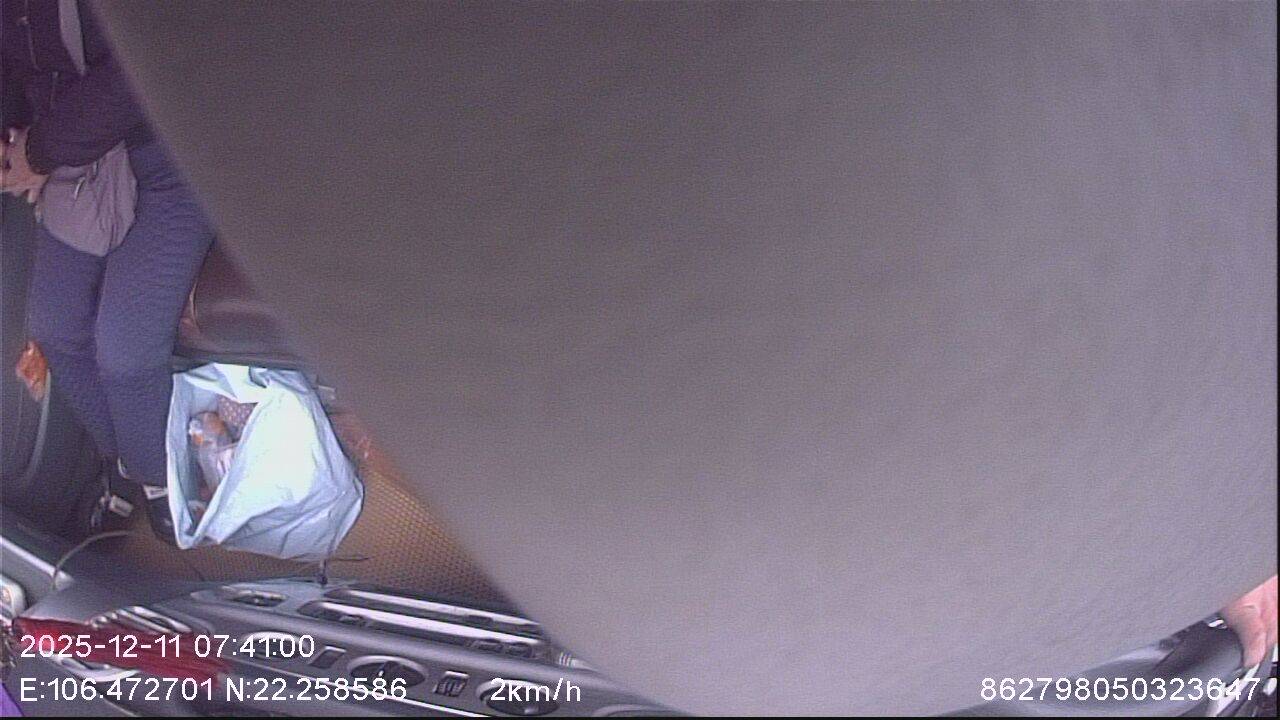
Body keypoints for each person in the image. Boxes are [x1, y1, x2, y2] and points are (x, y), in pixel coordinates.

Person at [1, 0, 214, 542]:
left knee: (124, 349)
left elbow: (144, 69)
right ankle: (124, 460)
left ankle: (155, 479)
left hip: (167, 151)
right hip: (80, 162)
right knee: (54, 327)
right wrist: (13, 149)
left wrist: (40, 151)